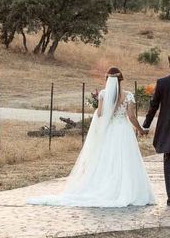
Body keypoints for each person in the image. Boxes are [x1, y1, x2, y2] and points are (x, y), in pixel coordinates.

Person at [28, 67, 156, 207]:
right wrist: (140, 129)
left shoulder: (103, 94)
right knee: (125, 158)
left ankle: (104, 187)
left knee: (106, 159)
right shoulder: (128, 96)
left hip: (108, 131)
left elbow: (100, 114)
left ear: (107, 80)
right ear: (121, 80)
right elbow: (131, 116)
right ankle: (126, 189)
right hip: (123, 130)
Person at [143, 73, 170, 205]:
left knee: (168, 162)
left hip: (167, 128)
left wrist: (146, 125)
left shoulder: (162, 83)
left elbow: (154, 105)